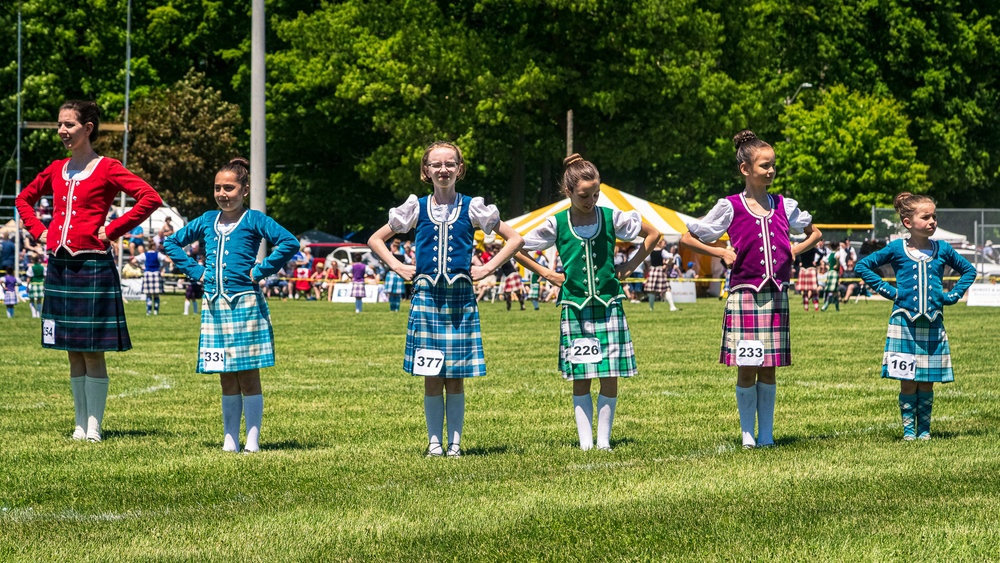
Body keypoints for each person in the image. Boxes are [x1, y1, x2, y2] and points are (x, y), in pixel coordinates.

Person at [14, 100, 162, 442]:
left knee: (92, 349)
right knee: (71, 349)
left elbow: (149, 198)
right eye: (60, 125)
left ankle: (94, 426)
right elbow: (24, 199)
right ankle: (79, 424)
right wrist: (41, 232)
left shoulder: (107, 167)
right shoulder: (55, 169)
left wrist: (111, 230)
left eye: (69, 125)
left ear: (88, 128)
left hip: (93, 263)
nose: (63, 131)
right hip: (60, 264)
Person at [368, 141, 523, 457]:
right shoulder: (416, 208)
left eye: (449, 164)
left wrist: (489, 268)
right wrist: (398, 266)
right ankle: (434, 443)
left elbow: (515, 238)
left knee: (455, 376)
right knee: (431, 374)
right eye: (436, 164)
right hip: (427, 297)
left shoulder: (473, 207)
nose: (443, 170)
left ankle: (454, 444)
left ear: (460, 169)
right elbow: (375, 239)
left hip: (460, 299)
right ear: (426, 171)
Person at [680, 130, 820, 449]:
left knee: (769, 369)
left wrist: (791, 251)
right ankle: (747, 435)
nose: (770, 171)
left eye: (773, 166)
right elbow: (688, 237)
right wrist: (721, 252)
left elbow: (815, 233)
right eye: (764, 166)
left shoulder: (786, 205)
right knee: (748, 365)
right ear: (746, 169)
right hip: (744, 296)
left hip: (776, 295)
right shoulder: (729, 206)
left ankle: (767, 435)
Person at [516, 154, 660, 451]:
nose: (591, 199)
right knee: (581, 375)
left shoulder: (611, 216)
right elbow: (515, 246)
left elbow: (653, 234)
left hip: (609, 305)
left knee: (609, 373)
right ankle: (585, 442)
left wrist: (630, 265)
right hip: (575, 307)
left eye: (596, 193)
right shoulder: (556, 223)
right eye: (584, 195)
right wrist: (545, 273)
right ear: (567, 191)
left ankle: (604, 441)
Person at [163, 157, 298, 453]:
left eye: (230, 187)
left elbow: (289, 242)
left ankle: (252, 440)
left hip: (246, 303)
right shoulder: (207, 220)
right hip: (214, 305)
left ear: (245, 189)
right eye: (218, 187)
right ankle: (229, 438)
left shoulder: (254, 220)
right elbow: (172, 243)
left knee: (249, 373)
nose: (223, 193)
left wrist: (261, 270)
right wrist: (197, 272)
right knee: (224, 373)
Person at [855, 193, 976, 441]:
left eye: (934, 216)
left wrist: (952, 296)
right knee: (907, 380)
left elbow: (969, 270)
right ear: (908, 222)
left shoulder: (942, 248)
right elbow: (863, 266)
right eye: (926, 216)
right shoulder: (897, 248)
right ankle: (909, 431)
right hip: (903, 324)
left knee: (927, 381)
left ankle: (924, 431)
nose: (932, 221)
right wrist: (890, 291)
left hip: (933, 324)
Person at [643, 239, 675, 311]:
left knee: (652, 290)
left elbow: (645, 259)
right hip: (660, 270)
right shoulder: (662, 251)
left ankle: (651, 308)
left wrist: (648, 267)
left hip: (652, 270)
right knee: (667, 289)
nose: (665, 245)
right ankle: (672, 307)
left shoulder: (650, 251)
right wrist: (666, 264)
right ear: (660, 244)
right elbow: (671, 257)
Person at [142, 239, 170, 315]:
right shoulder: (158, 254)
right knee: (156, 295)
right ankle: (155, 311)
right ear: (154, 247)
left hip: (147, 273)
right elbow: (168, 260)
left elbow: (133, 260)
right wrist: (162, 267)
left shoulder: (144, 254)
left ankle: (148, 311)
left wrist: (140, 267)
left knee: (148, 294)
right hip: (156, 274)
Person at [27, 253, 46, 318]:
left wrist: (27, 286)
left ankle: (34, 314)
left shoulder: (31, 268)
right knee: (39, 300)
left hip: (33, 284)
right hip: (41, 284)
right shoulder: (43, 267)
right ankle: (38, 314)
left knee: (31, 299)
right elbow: (45, 277)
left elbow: (29, 278)